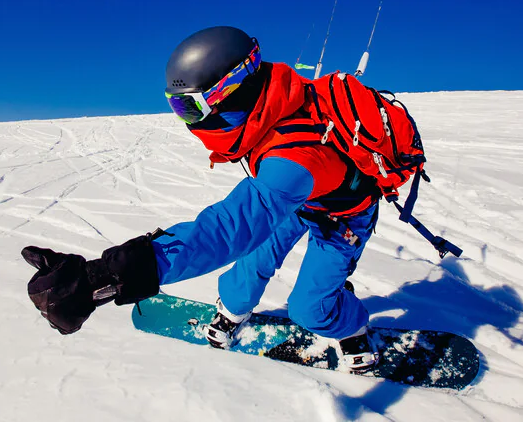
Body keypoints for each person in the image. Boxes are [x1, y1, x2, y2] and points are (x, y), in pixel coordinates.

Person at [22, 26, 385, 373]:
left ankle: (350, 327)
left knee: (311, 311)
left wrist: (100, 277)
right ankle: (234, 308)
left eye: (190, 108)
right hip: (298, 202)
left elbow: (229, 230)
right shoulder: (266, 108)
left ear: (232, 92)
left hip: (341, 217)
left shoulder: (295, 158)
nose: (187, 122)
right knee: (251, 266)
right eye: (177, 108)